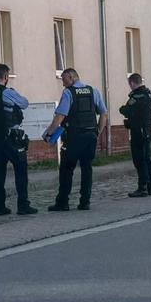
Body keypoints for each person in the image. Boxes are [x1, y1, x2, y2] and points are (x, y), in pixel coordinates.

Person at [42, 67, 105, 211]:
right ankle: (85, 202)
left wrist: (49, 133)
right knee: (87, 168)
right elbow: (104, 114)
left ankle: (63, 202)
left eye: (63, 80)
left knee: (66, 169)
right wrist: (98, 132)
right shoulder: (93, 91)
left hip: (73, 137)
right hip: (90, 136)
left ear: (71, 77)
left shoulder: (68, 93)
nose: (63, 84)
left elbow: (60, 116)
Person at [0, 63, 37, 216]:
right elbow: (24, 103)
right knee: (20, 171)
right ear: (5, 77)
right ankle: (23, 205)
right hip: (11, 139)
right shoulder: (7, 92)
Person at [118, 72, 151, 198]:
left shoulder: (138, 96)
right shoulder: (148, 94)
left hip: (138, 131)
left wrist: (122, 109)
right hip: (147, 129)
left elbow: (127, 109)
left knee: (139, 159)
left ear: (132, 83)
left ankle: (143, 186)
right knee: (147, 158)